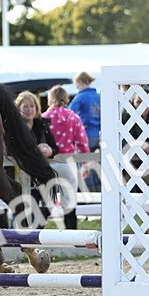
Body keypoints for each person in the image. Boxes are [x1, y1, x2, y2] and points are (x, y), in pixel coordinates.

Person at [42, 86, 90, 230]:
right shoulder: (73, 117)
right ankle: (73, 237)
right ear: (66, 99)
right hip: (67, 163)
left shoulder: (43, 118)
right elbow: (82, 142)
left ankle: (35, 235)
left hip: (47, 163)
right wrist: (85, 164)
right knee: (69, 203)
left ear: (50, 98)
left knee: (46, 202)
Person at [16, 91, 57, 227]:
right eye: (25, 106)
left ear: (37, 108)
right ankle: (23, 238)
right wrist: (36, 150)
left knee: (46, 208)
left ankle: (36, 236)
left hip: (42, 173)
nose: (29, 110)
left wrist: (49, 151)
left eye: (32, 106)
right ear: (19, 109)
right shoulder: (15, 127)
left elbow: (55, 147)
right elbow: (13, 149)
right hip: (22, 173)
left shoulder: (42, 125)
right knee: (26, 209)